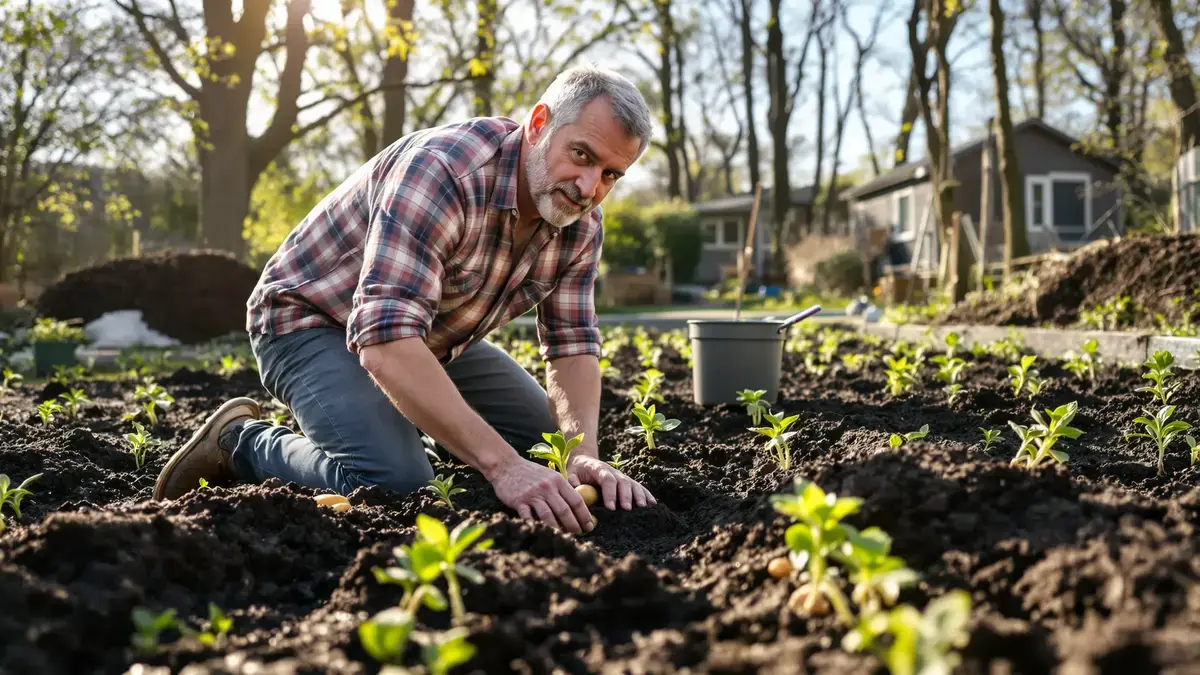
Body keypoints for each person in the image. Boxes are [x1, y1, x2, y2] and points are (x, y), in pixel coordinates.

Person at [153, 65, 657, 535]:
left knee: (551, 453)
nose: (590, 186)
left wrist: (581, 454)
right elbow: (385, 342)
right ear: (539, 123)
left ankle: (427, 430)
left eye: (611, 175)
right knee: (397, 486)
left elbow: (572, 344)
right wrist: (501, 467)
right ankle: (241, 442)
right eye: (582, 155)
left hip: (433, 335)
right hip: (310, 321)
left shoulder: (579, 221)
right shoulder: (442, 172)